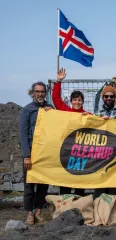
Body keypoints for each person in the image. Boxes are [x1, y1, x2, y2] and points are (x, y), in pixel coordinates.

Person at [19, 82, 54, 225]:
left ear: (45, 93)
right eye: (37, 91)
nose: (40, 94)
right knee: (29, 184)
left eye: (42, 91)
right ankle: (29, 213)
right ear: (32, 93)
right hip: (31, 154)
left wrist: (51, 115)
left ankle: (38, 212)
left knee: (43, 185)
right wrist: (26, 156)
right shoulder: (26, 110)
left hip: (45, 153)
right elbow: (23, 134)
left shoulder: (50, 108)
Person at [53, 68, 88, 196]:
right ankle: (64, 206)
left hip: (82, 155)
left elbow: (100, 124)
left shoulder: (88, 115)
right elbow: (56, 99)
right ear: (71, 101)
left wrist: (105, 119)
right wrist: (58, 81)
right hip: (67, 153)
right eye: (75, 100)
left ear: (82, 102)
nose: (77, 102)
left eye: (79, 100)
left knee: (80, 183)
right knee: (65, 182)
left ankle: (79, 206)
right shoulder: (65, 111)